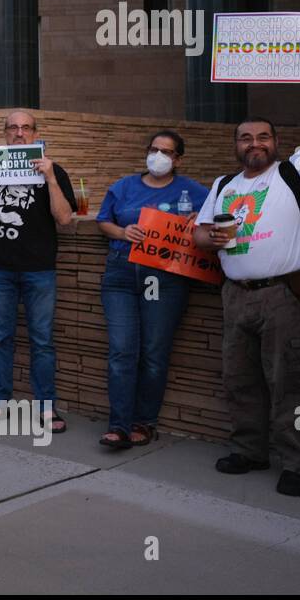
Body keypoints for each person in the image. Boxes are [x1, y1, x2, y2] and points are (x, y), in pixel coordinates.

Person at [193, 41, 300, 497]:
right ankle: (250, 450)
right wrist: (209, 238)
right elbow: (197, 233)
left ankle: (298, 463)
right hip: (235, 295)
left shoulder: (298, 171)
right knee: (239, 381)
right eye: (245, 138)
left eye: (262, 137)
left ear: (275, 143)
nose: (254, 144)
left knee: (289, 383)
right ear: (236, 145)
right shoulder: (222, 184)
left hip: (282, 296)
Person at [0, 51, 76, 432]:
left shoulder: (53, 169)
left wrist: (51, 179)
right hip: (0, 268)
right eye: (12, 128)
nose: (19, 133)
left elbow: (65, 219)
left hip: (40, 269)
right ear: (6, 133)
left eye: (26, 128)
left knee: (42, 340)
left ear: (36, 134)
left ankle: (45, 407)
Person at [95, 131, 209, 448]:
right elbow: (103, 220)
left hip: (163, 278)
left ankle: (143, 423)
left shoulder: (194, 191)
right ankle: (117, 426)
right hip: (121, 272)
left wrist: (200, 218)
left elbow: (216, 217)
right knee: (121, 351)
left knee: (154, 354)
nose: (158, 156)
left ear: (178, 159)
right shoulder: (123, 186)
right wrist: (122, 230)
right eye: (154, 149)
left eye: (167, 151)